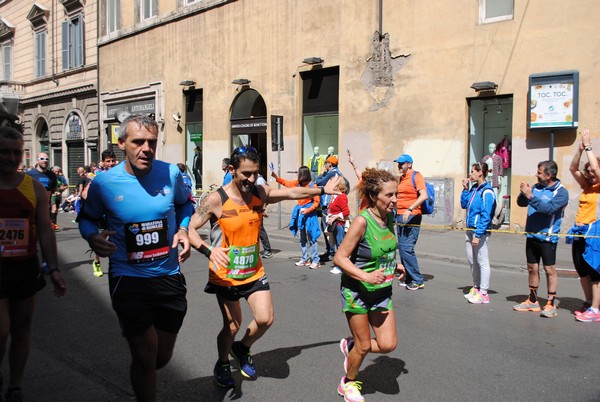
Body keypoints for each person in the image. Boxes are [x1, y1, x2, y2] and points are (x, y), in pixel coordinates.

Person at [188, 146, 339, 388]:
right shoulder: (216, 199)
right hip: (226, 274)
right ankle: (222, 363)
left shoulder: (260, 191)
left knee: (265, 319)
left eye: (255, 173)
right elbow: (190, 229)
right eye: (245, 173)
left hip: (253, 270)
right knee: (232, 325)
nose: (250, 179)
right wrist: (209, 250)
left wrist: (322, 188)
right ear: (232, 170)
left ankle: (241, 348)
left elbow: (292, 193)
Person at [78, 114, 193, 401]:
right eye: (138, 142)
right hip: (127, 279)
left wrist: (182, 229)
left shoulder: (171, 173)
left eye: (152, 142)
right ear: (122, 144)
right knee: (144, 353)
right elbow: (87, 219)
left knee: (160, 357)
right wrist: (92, 236)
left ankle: (142, 376)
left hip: (167, 277)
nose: (146, 148)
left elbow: (185, 205)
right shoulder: (105, 182)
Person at [0, 126, 67, 402]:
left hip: (24, 266)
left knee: (22, 330)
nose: (11, 157)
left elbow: (45, 229)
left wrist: (54, 269)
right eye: (5, 151)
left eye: (16, 152)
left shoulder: (34, 188)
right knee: (1, 329)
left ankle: (15, 385)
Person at [333, 168, 405, 402]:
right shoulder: (362, 222)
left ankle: (351, 345)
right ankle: (348, 383)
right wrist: (365, 277)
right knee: (364, 347)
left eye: (396, 194)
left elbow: (385, 247)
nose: (394, 200)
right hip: (357, 292)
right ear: (374, 196)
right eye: (389, 195)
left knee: (388, 344)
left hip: (383, 291)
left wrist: (395, 265)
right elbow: (340, 258)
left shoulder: (389, 216)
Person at [514, 160, 569, 318]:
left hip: (547, 237)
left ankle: (550, 303)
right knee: (532, 268)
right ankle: (532, 301)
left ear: (549, 175)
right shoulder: (536, 187)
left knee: (549, 270)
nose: (536, 174)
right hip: (531, 235)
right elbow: (521, 202)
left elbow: (549, 209)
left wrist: (530, 195)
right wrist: (523, 193)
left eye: (539, 172)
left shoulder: (561, 192)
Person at [567, 128, 600, 322]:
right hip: (580, 231)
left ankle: (596, 309)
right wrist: (579, 150)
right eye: (587, 171)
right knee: (582, 270)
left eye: (591, 171)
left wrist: (588, 146)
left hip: (595, 232)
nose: (589, 173)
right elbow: (573, 169)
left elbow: (596, 169)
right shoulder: (587, 187)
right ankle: (589, 302)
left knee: (595, 271)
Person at [272, 166, 322, 269]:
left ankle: (316, 260)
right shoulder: (297, 183)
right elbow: (287, 183)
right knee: (302, 238)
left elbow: (317, 202)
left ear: (303, 174)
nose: (297, 175)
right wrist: (276, 177)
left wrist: (307, 210)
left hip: (310, 216)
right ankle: (305, 258)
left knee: (312, 238)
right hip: (301, 214)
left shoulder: (313, 186)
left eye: (298, 173)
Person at [461, 162, 496, 304]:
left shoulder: (487, 191)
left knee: (482, 262)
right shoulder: (475, 188)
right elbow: (464, 204)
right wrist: (464, 189)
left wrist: (478, 234)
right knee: (472, 260)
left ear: (480, 172)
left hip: (479, 232)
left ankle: (484, 293)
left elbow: (486, 215)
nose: (470, 174)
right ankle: (476, 287)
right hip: (469, 230)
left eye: (473, 171)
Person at [394, 153, 428, 290]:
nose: (399, 166)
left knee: (407, 248)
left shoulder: (417, 176)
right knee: (402, 249)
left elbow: (424, 195)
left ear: (409, 164)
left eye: (401, 164)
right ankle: (408, 276)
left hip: (412, 216)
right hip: (400, 217)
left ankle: (418, 280)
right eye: (398, 163)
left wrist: (409, 209)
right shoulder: (401, 179)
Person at [88, 149, 119, 278]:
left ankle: (117, 265)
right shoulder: (99, 177)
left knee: (118, 239)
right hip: (103, 215)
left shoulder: (120, 175)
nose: (111, 163)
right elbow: (86, 195)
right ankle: (97, 262)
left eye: (112, 161)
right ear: (103, 163)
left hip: (117, 214)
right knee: (102, 240)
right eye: (108, 161)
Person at [316, 155, 346, 261]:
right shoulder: (339, 173)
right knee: (329, 230)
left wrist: (321, 173)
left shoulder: (332, 173)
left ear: (330, 164)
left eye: (326, 163)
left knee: (329, 231)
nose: (325, 165)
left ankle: (331, 252)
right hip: (330, 206)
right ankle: (330, 251)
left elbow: (318, 182)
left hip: (328, 207)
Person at [26, 152, 58, 230]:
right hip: (32, 206)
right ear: (37, 161)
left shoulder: (52, 175)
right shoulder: (29, 174)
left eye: (46, 159)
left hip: (45, 207)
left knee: (43, 231)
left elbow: (53, 190)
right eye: (42, 159)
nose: (44, 161)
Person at [327, 178, 350, 274]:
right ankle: (339, 264)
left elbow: (346, 212)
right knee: (337, 244)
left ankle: (342, 266)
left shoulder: (342, 197)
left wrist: (335, 217)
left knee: (340, 246)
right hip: (334, 223)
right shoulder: (335, 196)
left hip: (339, 224)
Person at [256, 173, 273, 259]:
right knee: (255, 229)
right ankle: (256, 250)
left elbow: (263, 195)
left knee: (260, 229)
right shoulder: (256, 179)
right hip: (255, 207)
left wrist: (263, 208)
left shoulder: (259, 180)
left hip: (259, 207)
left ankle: (268, 250)